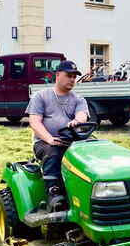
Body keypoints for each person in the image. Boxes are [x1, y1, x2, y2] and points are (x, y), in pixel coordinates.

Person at [26, 60, 89, 212]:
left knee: (93, 148)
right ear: (58, 75)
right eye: (69, 75)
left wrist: (76, 121)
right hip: (44, 142)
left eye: (74, 77)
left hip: (71, 140)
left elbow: (82, 116)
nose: (72, 79)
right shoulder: (41, 96)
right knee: (53, 151)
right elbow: (34, 122)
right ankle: (53, 194)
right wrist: (49, 138)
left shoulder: (78, 99)